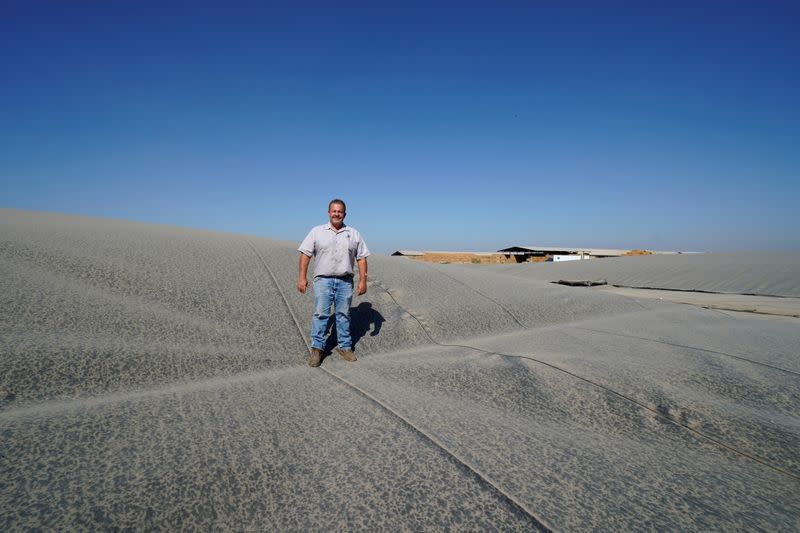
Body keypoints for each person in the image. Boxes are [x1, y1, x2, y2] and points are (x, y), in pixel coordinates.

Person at [297, 199, 369, 367]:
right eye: (334, 211)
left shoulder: (353, 233)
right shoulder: (317, 231)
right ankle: (317, 349)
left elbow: (362, 258)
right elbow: (305, 254)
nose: (337, 214)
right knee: (321, 314)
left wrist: (363, 281)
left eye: (340, 211)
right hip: (323, 280)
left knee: (343, 315)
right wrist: (302, 277)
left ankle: (345, 347)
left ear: (345, 214)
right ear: (328, 213)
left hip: (345, 281)